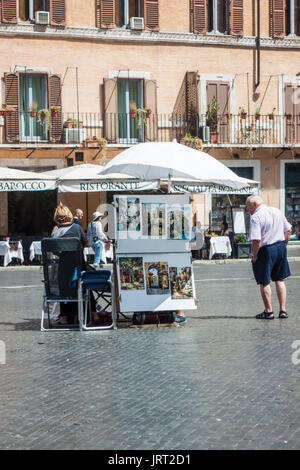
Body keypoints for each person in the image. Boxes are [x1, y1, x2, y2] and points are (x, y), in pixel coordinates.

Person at [246, 195, 292, 319]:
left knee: (264, 281)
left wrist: (255, 255)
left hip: (266, 249)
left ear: (255, 205)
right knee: (280, 279)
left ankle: (268, 311)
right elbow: (288, 230)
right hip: (280, 246)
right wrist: (284, 245)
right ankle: (283, 310)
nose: (247, 210)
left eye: (248, 207)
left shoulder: (256, 217)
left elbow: (256, 240)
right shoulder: (276, 211)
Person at [51, 203, 88, 325]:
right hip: (78, 273)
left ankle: (64, 318)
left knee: (64, 282)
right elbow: (86, 243)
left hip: (62, 276)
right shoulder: (77, 229)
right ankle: (83, 314)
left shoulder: (55, 233)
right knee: (81, 279)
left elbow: (55, 251)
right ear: (70, 216)